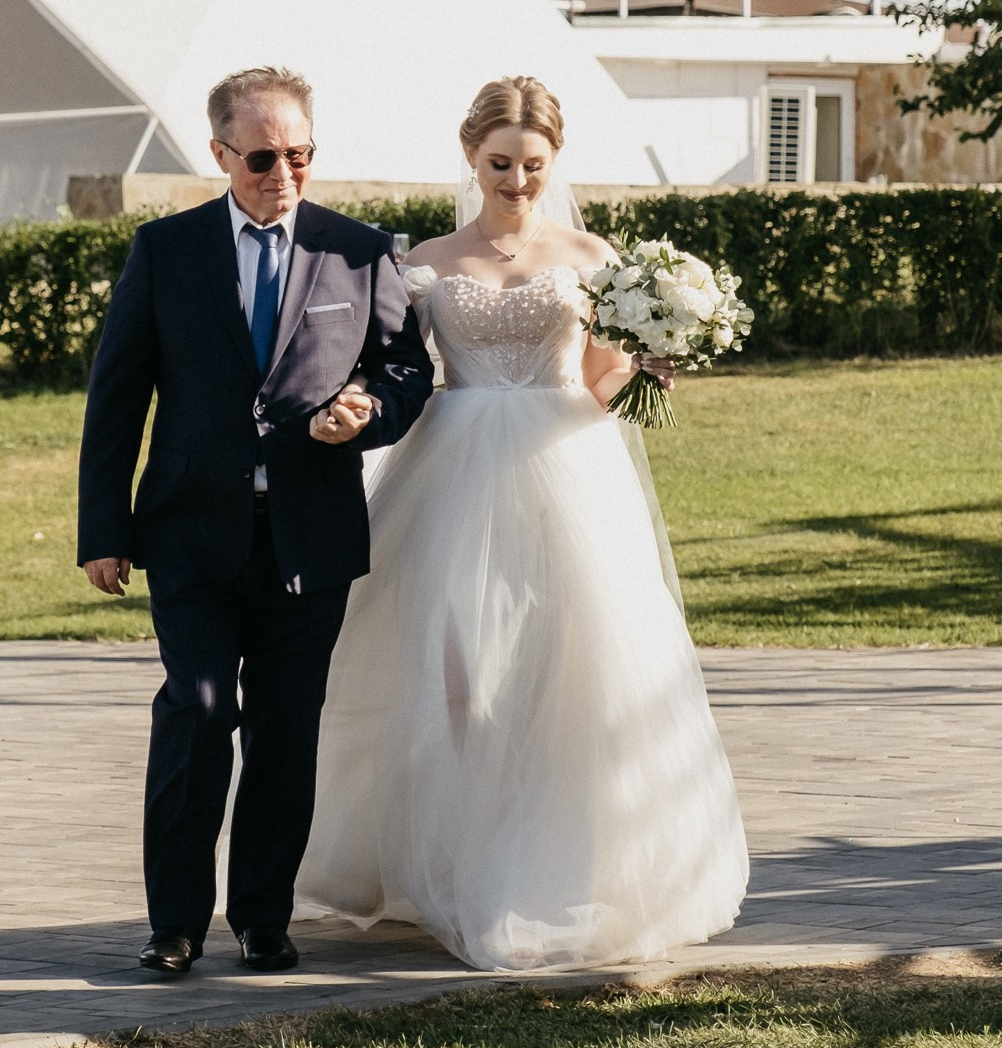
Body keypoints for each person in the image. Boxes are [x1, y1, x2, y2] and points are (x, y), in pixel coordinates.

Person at [298, 75, 749, 971]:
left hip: (566, 469)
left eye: (532, 166)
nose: (516, 182)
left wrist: (651, 359)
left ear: (555, 161)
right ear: (470, 157)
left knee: (573, 672)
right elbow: (391, 369)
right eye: (499, 164)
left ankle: (550, 871)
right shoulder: (424, 262)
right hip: (451, 470)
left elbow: (595, 381)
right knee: (454, 680)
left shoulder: (590, 255)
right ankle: (455, 867)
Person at [77, 66, 433, 977]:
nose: (284, 174)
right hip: (191, 533)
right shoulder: (167, 250)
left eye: (301, 156)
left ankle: (262, 917)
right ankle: (174, 924)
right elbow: (117, 397)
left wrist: (364, 411)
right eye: (264, 157)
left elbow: (403, 370)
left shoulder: (358, 251)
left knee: (286, 728)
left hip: (309, 538)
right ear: (221, 154)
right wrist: (103, 529)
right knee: (197, 715)